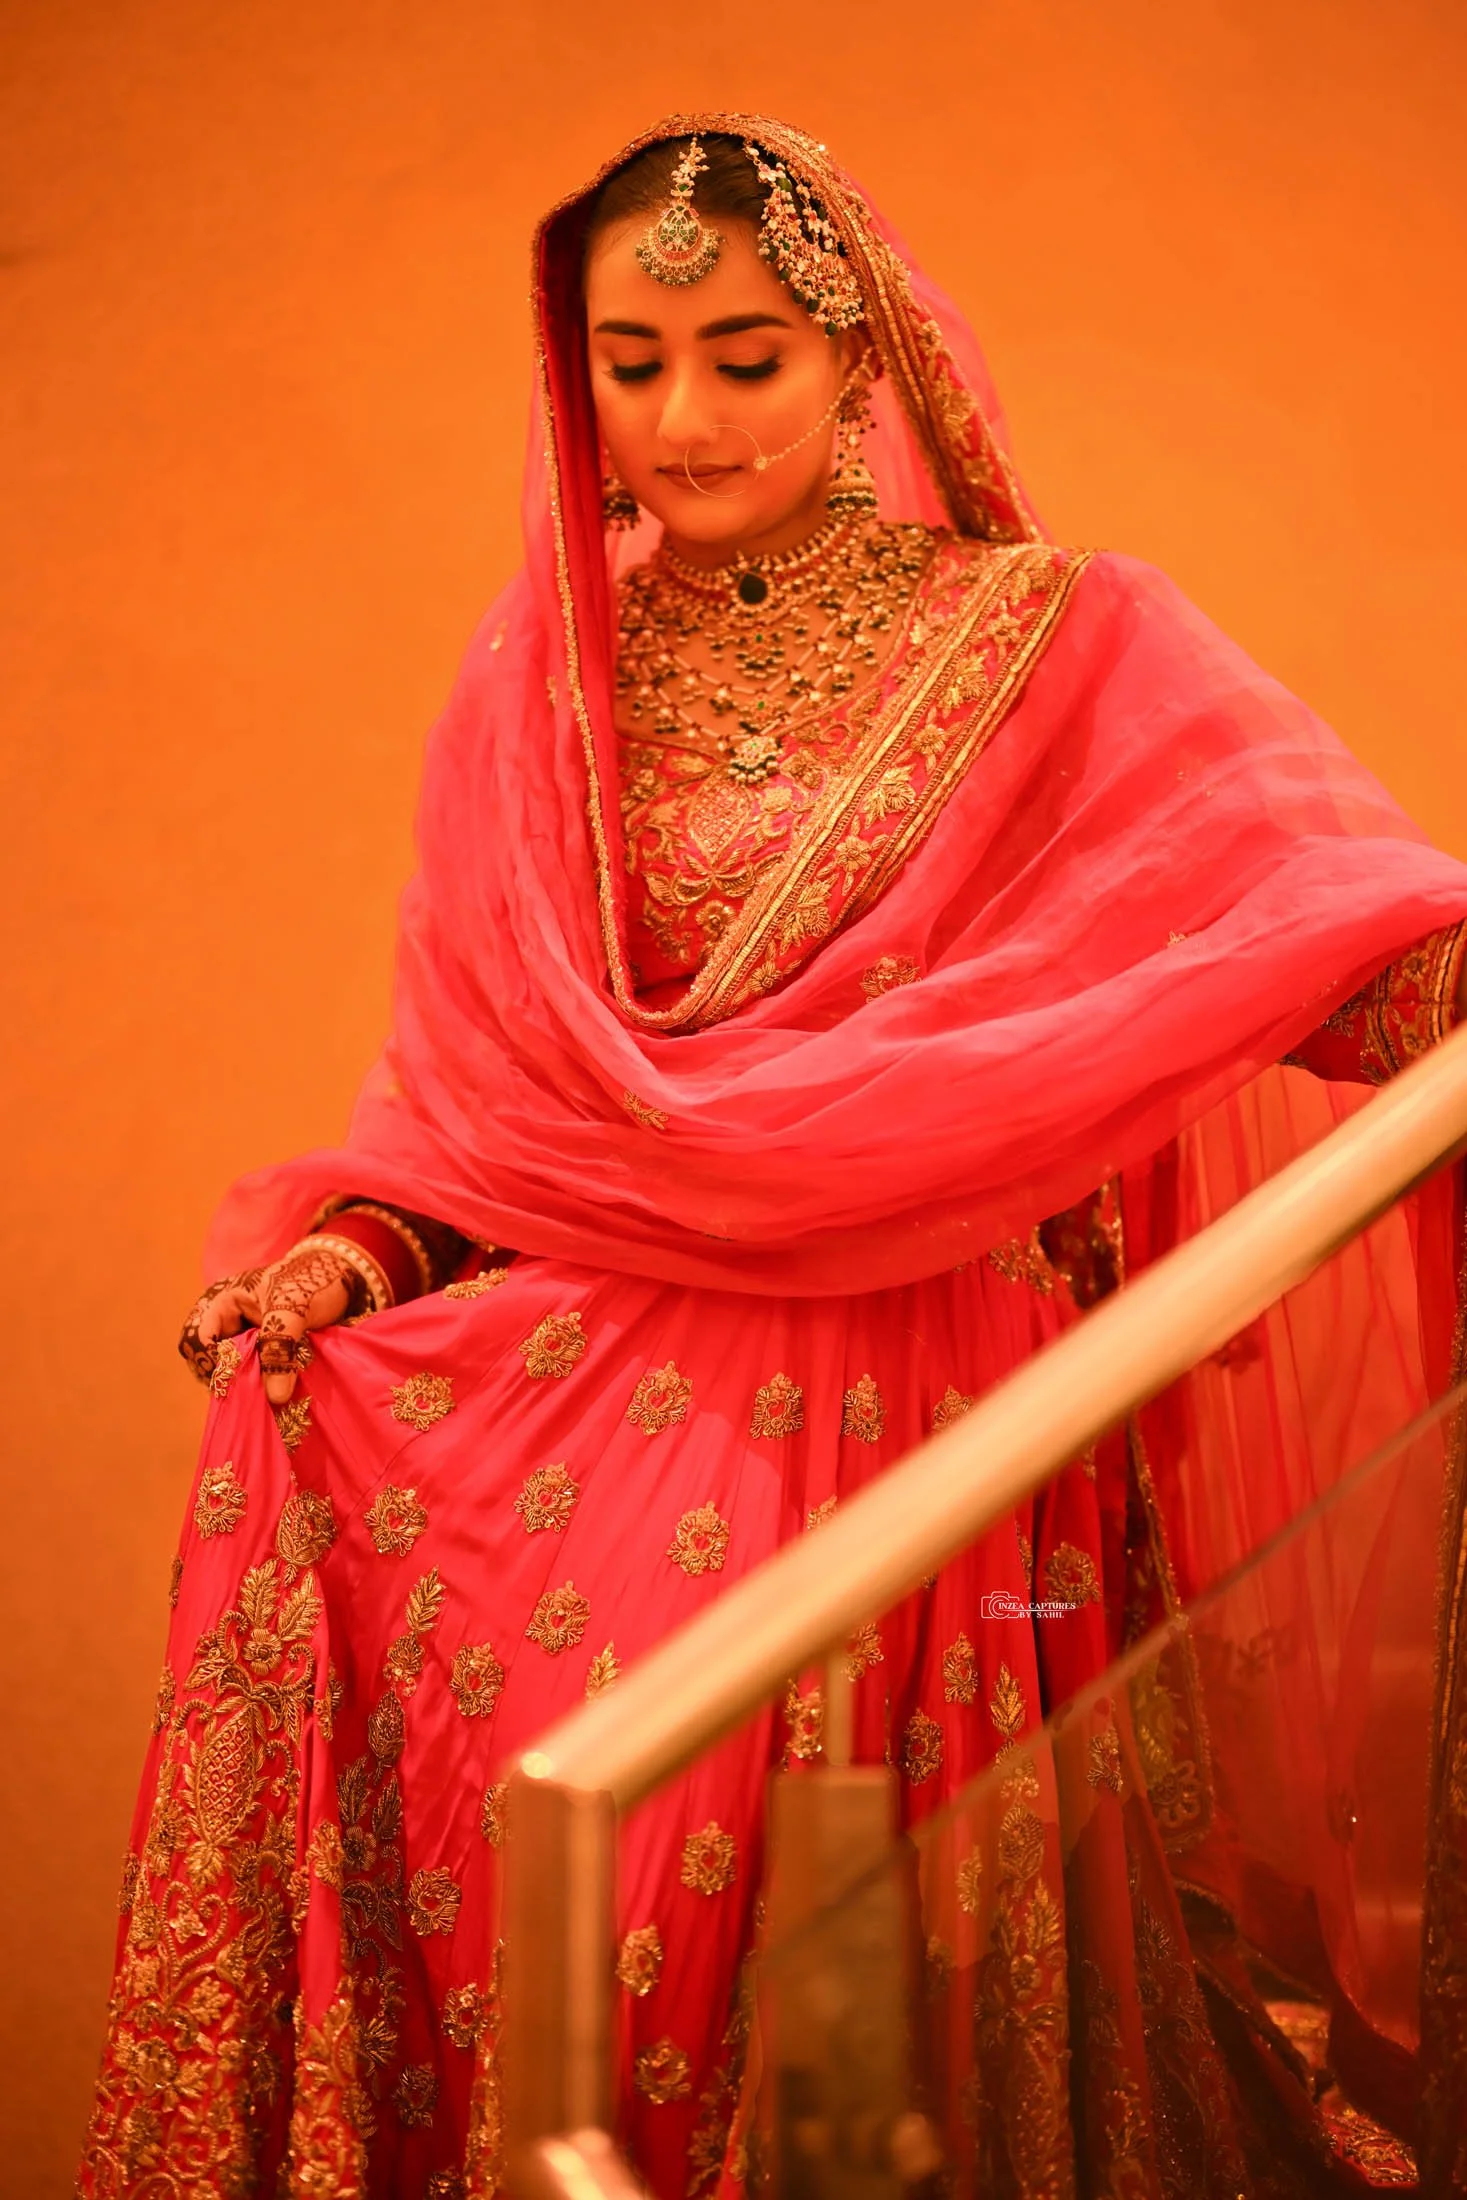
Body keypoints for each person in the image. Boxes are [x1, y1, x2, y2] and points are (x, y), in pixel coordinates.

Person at [77, 116, 1467, 2200]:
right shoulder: (541, 679)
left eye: (744, 356)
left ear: (858, 359)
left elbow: (1308, 943)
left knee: (862, 2004)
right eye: (629, 362)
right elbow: (486, 1116)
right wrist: (349, 1265)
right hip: (603, 1436)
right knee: (595, 1959)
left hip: (933, 1422)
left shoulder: (1048, 639)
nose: (683, 415)